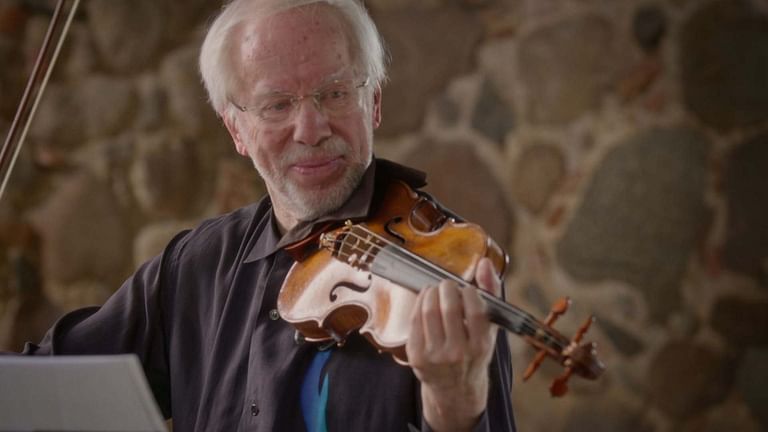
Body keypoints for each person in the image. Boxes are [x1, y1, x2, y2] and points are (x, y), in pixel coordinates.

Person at [19, 0, 516, 430]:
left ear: (374, 102)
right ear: (236, 130)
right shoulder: (194, 267)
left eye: (335, 93)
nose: (310, 129)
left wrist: (455, 408)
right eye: (277, 105)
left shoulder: (447, 270)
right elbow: (38, 383)